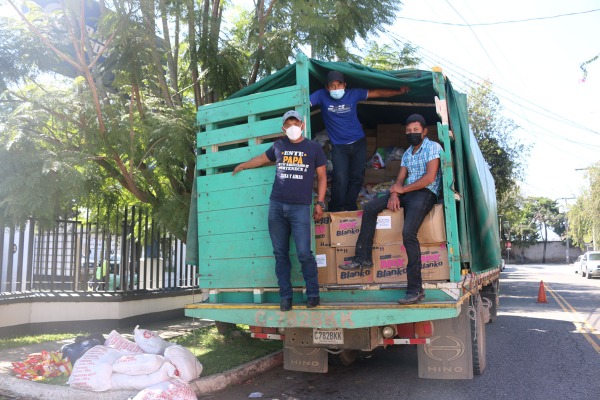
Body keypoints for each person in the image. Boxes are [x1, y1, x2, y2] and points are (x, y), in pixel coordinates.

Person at [339, 114, 442, 305]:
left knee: (408, 233)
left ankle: (415, 290)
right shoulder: (407, 152)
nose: (412, 134)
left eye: (416, 130)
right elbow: (400, 179)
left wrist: (402, 190)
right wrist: (395, 194)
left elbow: (429, 178)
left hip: (425, 193)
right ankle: (363, 258)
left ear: (424, 131)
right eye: (409, 131)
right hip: (406, 192)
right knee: (370, 208)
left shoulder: (433, 147)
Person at [233, 110, 327, 311]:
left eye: (296, 123)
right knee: (280, 253)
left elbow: (322, 177)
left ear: (302, 125)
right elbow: (260, 159)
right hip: (277, 206)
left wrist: (320, 202)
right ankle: (286, 297)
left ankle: (313, 294)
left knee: (303, 253)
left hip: (301, 208)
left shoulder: (313, 148)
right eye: (288, 124)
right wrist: (242, 165)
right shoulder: (279, 145)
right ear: (283, 128)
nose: (292, 127)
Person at [310, 70, 410, 212]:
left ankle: (350, 206)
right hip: (339, 146)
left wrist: (398, 92)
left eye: (339, 85)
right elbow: (302, 102)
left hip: (358, 143)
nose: (336, 89)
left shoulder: (353, 94)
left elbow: (377, 93)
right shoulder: (321, 95)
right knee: (340, 179)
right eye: (332, 86)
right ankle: (336, 209)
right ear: (327, 87)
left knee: (357, 177)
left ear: (344, 85)